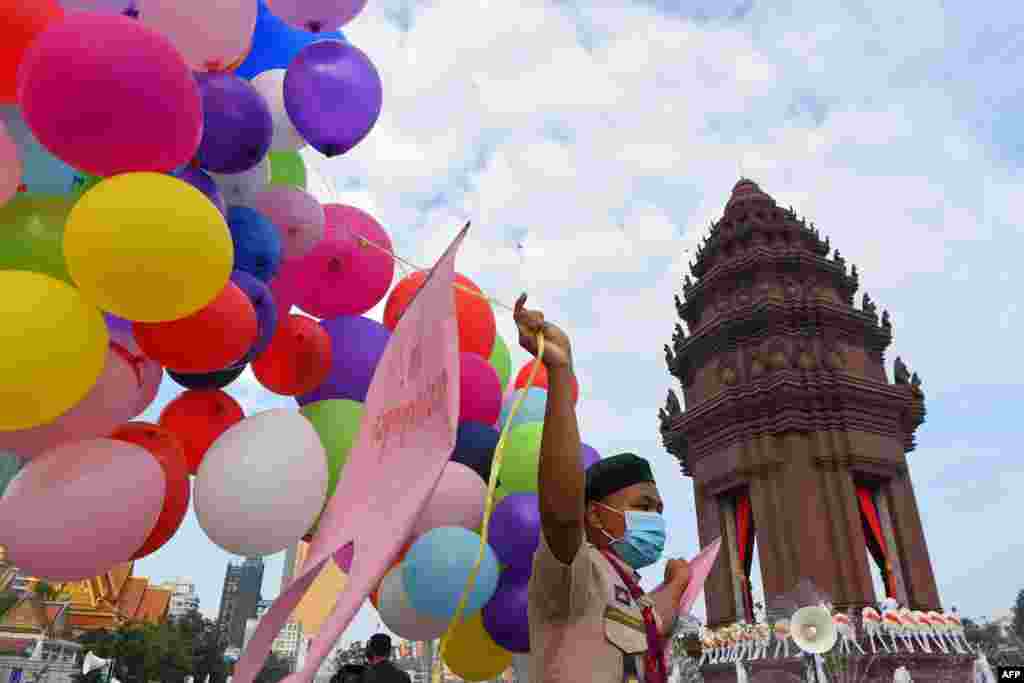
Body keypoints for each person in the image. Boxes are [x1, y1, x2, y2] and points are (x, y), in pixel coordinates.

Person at [514, 294, 692, 683]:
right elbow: (561, 513)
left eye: (659, 509)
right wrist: (560, 373)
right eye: (643, 506)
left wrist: (678, 582)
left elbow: (656, 618)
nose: (656, 519)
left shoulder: (630, 590)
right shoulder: (576, 570)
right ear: (593, 513)